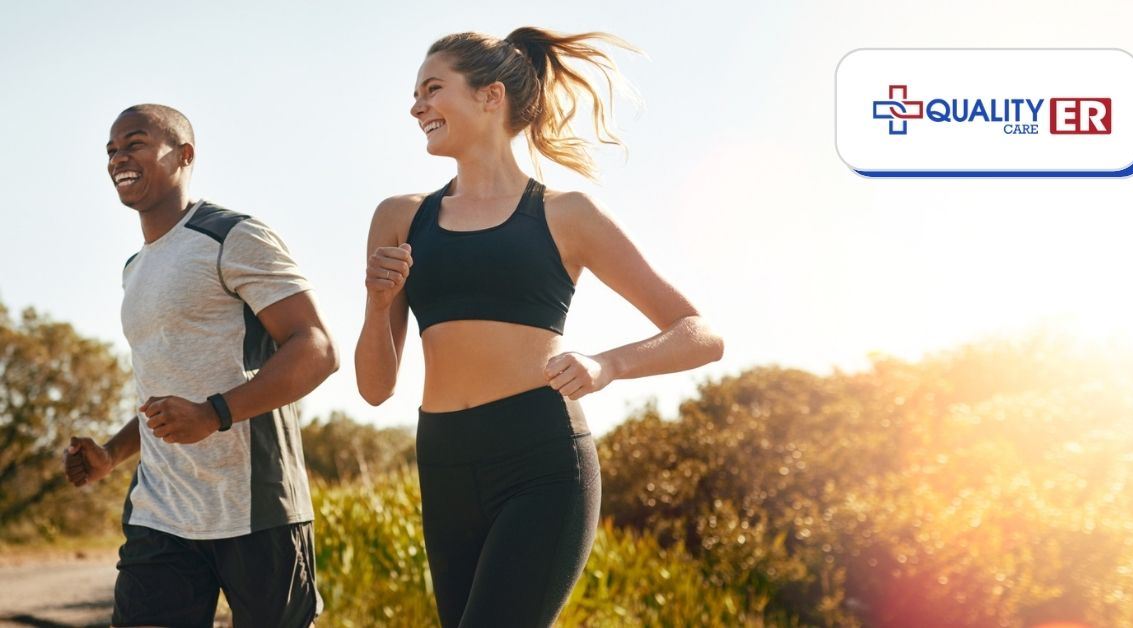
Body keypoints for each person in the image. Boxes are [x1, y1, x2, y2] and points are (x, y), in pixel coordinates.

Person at [355, 27, 724, 626]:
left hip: (541, 459)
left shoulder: (567, 215)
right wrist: (376, 303)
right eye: (414, 93)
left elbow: (701, 334)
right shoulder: (400, 218)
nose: (416, 105)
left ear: (490, 96)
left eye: (432, 88)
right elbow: (374, 388)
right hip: (444, 461)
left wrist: (609, 365)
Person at [63, 104, 338, 628]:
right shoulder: (135, 269)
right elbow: (166, 393)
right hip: (161, 512)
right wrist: (111, 454)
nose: (119, 157)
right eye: (111, 149)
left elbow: (317, 348)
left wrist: (214, 413)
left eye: (135, 143)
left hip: (255, 508)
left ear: (184, 154)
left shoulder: (233, 236)